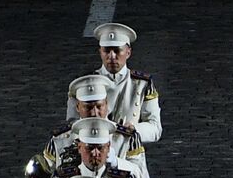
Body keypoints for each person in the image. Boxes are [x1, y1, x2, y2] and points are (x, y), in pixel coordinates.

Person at [67, 24, 162, 157]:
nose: (111, 56)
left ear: (128, 52)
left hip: (129, 154)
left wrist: (134, 130)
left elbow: (155, 128)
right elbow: (72, 125)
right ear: (100, 51)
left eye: (117, 50)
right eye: (106, 50)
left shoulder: (142, 84)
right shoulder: (83, 83)